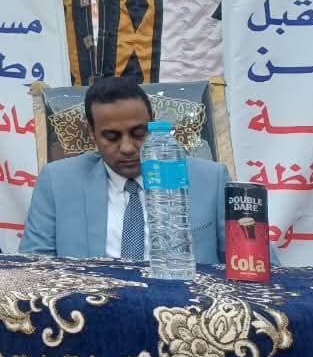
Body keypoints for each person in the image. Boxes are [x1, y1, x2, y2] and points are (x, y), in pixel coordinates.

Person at [20, 76, 229, 263]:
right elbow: (33, 268)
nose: (127, 148)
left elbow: (239, 267)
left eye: (138, 133)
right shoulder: (57, 182)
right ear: (92, 133)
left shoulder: (212, 180)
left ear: (153, 123)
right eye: (112, 137)